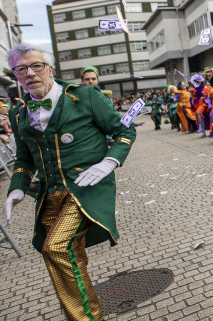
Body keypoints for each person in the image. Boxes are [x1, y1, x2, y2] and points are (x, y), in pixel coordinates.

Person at [3, 43, 136, 321]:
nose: (30, 73)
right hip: (50, 195)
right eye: (21, 69)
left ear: (50, 68)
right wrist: (16, 188)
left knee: (57, 248)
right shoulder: (18, 114)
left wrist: (108, 162)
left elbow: (124, 130)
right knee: (64, 257)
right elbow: (25, 160)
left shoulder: (86, 96)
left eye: (36, 65)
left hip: (85, 190)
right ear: (15, 75)